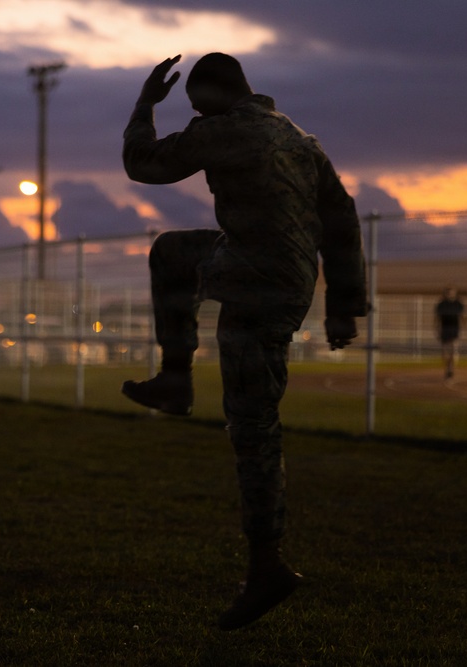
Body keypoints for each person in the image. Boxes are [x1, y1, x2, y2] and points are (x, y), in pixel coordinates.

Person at [121, 53, 367, 630]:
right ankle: (176, 379)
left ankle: (267, 568)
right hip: (287, 281)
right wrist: (345, 305)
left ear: (211, 93)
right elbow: (342, 217)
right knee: (174, 254)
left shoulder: (225, 129)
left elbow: (144, 164)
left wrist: (145, 105)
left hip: (252, 280)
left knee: (253, 429)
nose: (194, 114)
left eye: (195, 104)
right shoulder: (300, 139)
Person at [435, 287, 466, 379]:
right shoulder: (441, 305)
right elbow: (437, 318)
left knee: (453, 350)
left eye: (452, 293)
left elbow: (463, 316)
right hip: (444, 329)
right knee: (444, 351)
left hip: (454, 329)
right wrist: (436, 329)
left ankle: (451, 369)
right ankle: (446, 368)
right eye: (448, 293)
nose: (450, 295)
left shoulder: (458, 304)